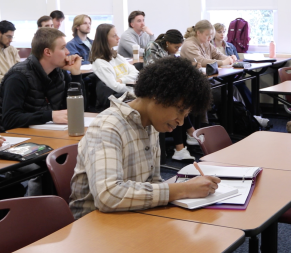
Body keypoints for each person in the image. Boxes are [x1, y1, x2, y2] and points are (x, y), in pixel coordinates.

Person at [69, 56, 218, 219]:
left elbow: (152, 182)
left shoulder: (151, 124)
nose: (181, 122)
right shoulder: (108, 126)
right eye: (180, 111)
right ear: (158, 96)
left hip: (131, 216)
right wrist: (184, 190)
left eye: (186, 114)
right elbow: (108, 196)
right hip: (94, 228)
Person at [0, 27, 83, 131]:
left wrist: (76, 74)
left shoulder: (60, 73)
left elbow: (78, 109)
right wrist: (50, 116)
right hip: (15, 137)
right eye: (63, 48)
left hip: (48, 132)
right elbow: (9, 120)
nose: (68, 52)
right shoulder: (18, 77)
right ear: (48, 52)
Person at [144, 30, 202, 160]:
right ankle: (185, 140)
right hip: (153, 87)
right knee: (175, 102)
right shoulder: (152, 47)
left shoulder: (168, 51)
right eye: (176, 47)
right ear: (168, 42)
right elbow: (156, 70)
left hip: (164, 87)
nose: (177, 50)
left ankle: (185, 141)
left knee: (182, 98)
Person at [91, 24, 140, 108]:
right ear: (104, 40)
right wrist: (136, 92)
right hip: (120, 98)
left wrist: (122, 79)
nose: (118, 37)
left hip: (128, 92)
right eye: (114, 36)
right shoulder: (100, 63)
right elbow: (116, 87)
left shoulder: (116, 56)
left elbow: (136, 73)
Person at [213, 23, 253, 107]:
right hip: (219, 75)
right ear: (213, 32)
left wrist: (234, 60)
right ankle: (246, 113)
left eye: (224, 31)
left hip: (230, 74)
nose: (222, 34)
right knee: (237, 86)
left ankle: (251, 112)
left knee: (240, 85)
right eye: (219, 32)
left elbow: (238, 63)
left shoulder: (230, 46)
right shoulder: (210, 47)